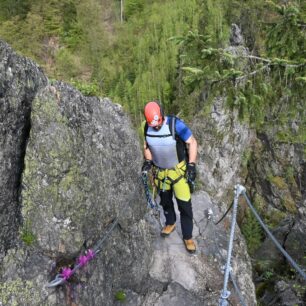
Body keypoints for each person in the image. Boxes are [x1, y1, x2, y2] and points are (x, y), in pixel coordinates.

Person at [141, 101, 198, 253]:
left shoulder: (175, 124)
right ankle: (170, 222)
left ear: (162, 114)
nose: (156, 127)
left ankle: (187, 236)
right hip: (160, 173)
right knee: (165, 201)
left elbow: (192, 142)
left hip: (178, 172)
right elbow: (146, 146)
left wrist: (191, 164)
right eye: (153, 125)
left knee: (184, 205)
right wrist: (148, 160)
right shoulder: (146, 127)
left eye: (158, 123)